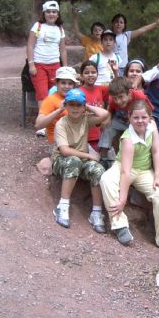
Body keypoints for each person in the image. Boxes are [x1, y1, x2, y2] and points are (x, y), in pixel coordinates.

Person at [99, 100, 159, 251]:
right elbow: (126, 172)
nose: (140, 121)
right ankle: (120, 225)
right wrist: (122, 200)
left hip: (145, 170)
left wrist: (158, 176)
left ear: (150, 117)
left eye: (144, 117)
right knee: (106, 180)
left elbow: (157, 151)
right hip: (124, 167)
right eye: (136, 118)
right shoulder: (128, 139)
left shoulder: (152, 127)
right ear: (129, 117)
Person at [51, 88, 108, 233]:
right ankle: (62, 207)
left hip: (80, 159)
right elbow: (64, 150)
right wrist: (90, 156)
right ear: (66, 106)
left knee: (98, 169)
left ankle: (96, 212)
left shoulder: (85, 119)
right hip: (62, 160)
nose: (75, 108)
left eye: (79, 105)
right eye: (71, 104)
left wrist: (87, 106)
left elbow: (104, 114)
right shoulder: (61, 124)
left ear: (83, 107)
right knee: (74, 161)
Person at [98, 77, 153, 163]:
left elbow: (149, 110)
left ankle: (140, 157)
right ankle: (103, 157)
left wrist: (148, 120)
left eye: (121, 97)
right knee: (107, 128)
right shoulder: (113, 99)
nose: (118, 101)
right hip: (119, 120)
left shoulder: (139, 96)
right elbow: (110, 110)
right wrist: (108, 118)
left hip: (134, 122)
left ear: (129, 92)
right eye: (115, 98)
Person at [27, 0, 68, 107]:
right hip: (39, 65)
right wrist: (31, 64)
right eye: (48, 12)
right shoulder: (38, 26)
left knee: (55, 92)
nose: (51, 14)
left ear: (58, 15)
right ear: (44, 13)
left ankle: (55, 121)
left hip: (55, 65)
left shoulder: (60, 29)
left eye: (54, 12)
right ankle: (44, 121)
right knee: (42, 94)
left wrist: (65, 67)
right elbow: (30, 45)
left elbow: (63, 50)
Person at [35, 66, 78, 144]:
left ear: (74, 85)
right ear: (56, 83)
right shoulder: (50, 100)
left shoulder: (77, 98)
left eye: (70, 83)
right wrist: (59, 110)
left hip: (75, 140)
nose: (67, 86)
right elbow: (38, 125)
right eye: (63, 83)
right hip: (57, 144)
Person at [78, 60, 109, 152]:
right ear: (81, 75)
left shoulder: (101, 89)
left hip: (101, 133)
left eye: (93, 72)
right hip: (85, 134)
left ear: (97, 74)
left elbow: (114, 95)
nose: (90, 75)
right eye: (87, 73)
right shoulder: (79, 92)